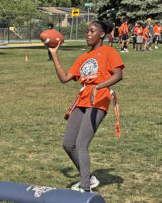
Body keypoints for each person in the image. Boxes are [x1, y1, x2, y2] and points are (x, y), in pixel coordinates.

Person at [46, 20, 125, 192]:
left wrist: (97, 86)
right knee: (68, 144)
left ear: (102, 34)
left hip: (99, 98)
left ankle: (85, 187)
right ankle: (88, 178)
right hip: (82, 100)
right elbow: (64, 78)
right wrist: (54, 54)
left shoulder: (109, 51)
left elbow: (118, 75)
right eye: (87, 31)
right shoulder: (83, 57)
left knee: (81, 144)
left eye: (92, 31)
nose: (88, 34)